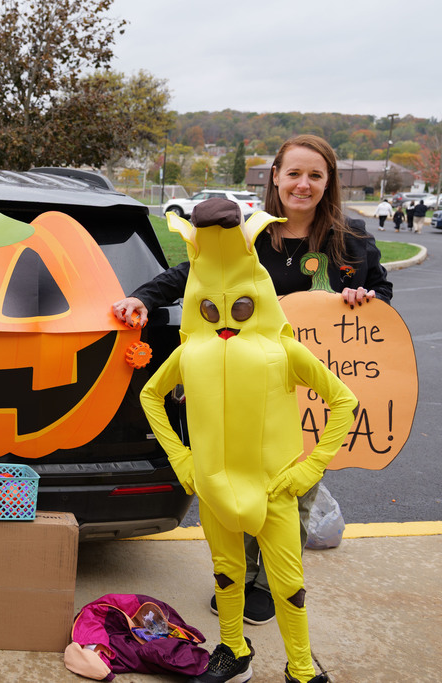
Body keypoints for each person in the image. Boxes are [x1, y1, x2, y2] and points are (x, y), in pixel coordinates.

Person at [113, 134, 392, 626]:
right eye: (294, 174)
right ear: (276, 178)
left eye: (315, 175)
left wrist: (367, 296)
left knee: (295, 496)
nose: (303, 184)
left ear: (328, 183)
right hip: (246, 393)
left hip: (307, 390)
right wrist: (143, 297)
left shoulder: (353, 241)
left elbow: (380, 297)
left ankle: (272, 582)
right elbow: (191, 272)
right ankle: (239, 576)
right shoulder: (249, 237)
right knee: (240, 486)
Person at [140, 197, 358, 683]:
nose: (224, 321)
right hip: (216, 486)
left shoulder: (283, 350)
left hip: (275, 487)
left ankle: (300, 666)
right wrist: (184, 462)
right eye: (211, 308)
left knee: (288, 583)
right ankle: (233, 649)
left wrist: (310, 466)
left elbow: (344, 401)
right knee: (225, 573)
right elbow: (150, 397)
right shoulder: (191, 352)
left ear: (255, 299)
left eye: (238, 306)